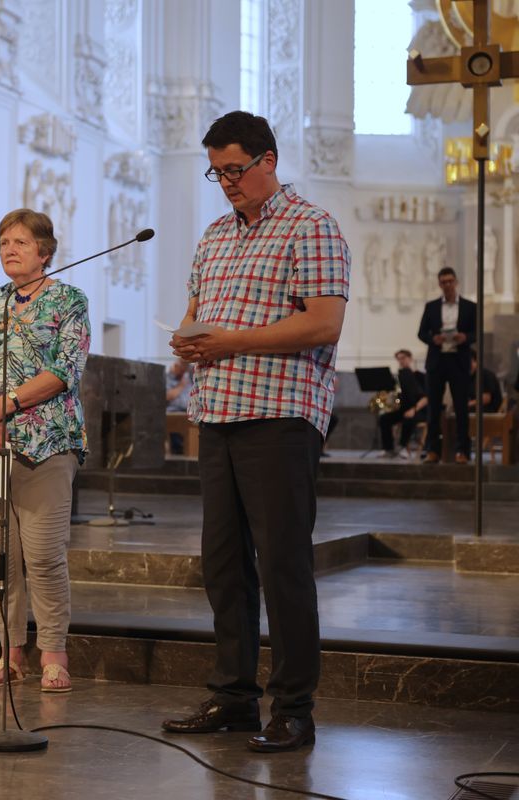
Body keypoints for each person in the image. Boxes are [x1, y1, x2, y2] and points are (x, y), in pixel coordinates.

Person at [162, 111, 350, 753]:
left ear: (269, 160)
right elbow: (195, 316)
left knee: (283, 564)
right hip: (216, 413)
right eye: (216, 173)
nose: (225, 183)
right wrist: (185, 342)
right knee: (223, 565)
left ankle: (294, 708)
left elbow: (324, 324)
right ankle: (234, 696)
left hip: (280, 415)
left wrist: (230, 341)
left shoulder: (313, 227)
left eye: (235, 170)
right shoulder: (214, 236)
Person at [0, 209, 90, 693]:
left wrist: (3, 407)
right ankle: (10, 654)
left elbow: (65, 370)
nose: (10, 250)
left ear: (45, 252)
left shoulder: (68, 300)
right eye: (4, 242)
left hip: (46, 443)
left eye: (21, 243)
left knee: (44, 554)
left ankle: (54, 653)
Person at [418, 267, 476, 463]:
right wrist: (433, 339)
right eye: (444, 282)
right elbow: (421, 332)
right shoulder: (431, 306)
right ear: (439, 284)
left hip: (459, 361)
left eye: (450, 281)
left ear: (456, 282)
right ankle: (433, 450)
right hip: (437, 361)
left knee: (461, 407)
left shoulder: (470, 306)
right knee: (434, 408)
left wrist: (465, 337)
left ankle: (463, 451)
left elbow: (476, 333)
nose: (448, 285)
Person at [378, 349, 428, 456]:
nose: (401, 361)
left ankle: (403, 447)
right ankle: (388, 449)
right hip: (404, 409)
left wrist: (414, 410)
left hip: (420, 411)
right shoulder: (399, 378)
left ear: (410, 359)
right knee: (384, 419)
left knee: (408, 418)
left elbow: (426, 398)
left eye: (403, 358)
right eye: (399, 359)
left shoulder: (420, 376)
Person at [166, 357, 193, 454]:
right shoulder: (168, 378)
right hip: (173, 411)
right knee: (175, 422)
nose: (183, 370)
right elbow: (168, 396)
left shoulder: (188, 377)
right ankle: (177, 449)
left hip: (189, 411)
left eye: (185, 368)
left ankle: (191, 450)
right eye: (181, 367)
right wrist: (181, 386)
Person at [468, 350, 503, 414]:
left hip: (488, 410)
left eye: (470, 362)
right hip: (473, 409)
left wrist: (467, 405)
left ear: (476, 362)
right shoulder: (467, 376)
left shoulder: (485, 375)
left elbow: (486, 399)